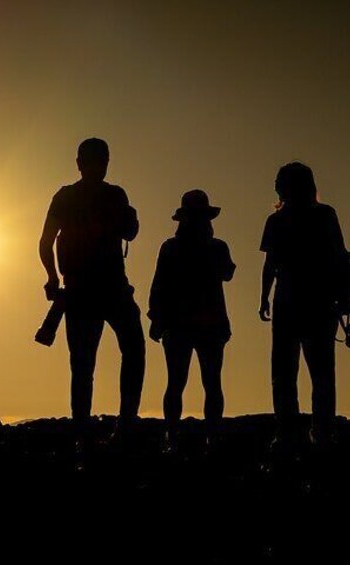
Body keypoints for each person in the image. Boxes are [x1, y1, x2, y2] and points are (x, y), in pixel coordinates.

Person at [38, 138, 146, 449]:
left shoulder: (72, 196)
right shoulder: (108, 195)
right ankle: (113, 429)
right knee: (114, 356)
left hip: (92, 289)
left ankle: (93, 433)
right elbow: (131, 232)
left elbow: (46, 242)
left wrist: (51, 279)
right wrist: (52, 277)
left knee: (86, 363)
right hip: (102, 289)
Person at [258, 162, 350, 448]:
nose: (275, 184)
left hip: (288, 301)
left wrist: (264, 296)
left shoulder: (276, 221)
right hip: (321, 301)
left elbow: (270, 263)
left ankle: (287, 433)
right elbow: (339, 256)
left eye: (279, 181)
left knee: (284, 372)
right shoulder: (325, 215)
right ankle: (321, 432)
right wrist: (344, 296)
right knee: (322, 372)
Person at [148, 190, 235, 454]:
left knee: (178, 382)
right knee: (209, 382)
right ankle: (210, 438)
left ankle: (173, 437)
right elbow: (228, 273)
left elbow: (158, 285)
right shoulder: (216, 247)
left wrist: (156, 317)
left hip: (180, 324)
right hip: (207, 324)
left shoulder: (172, 247)